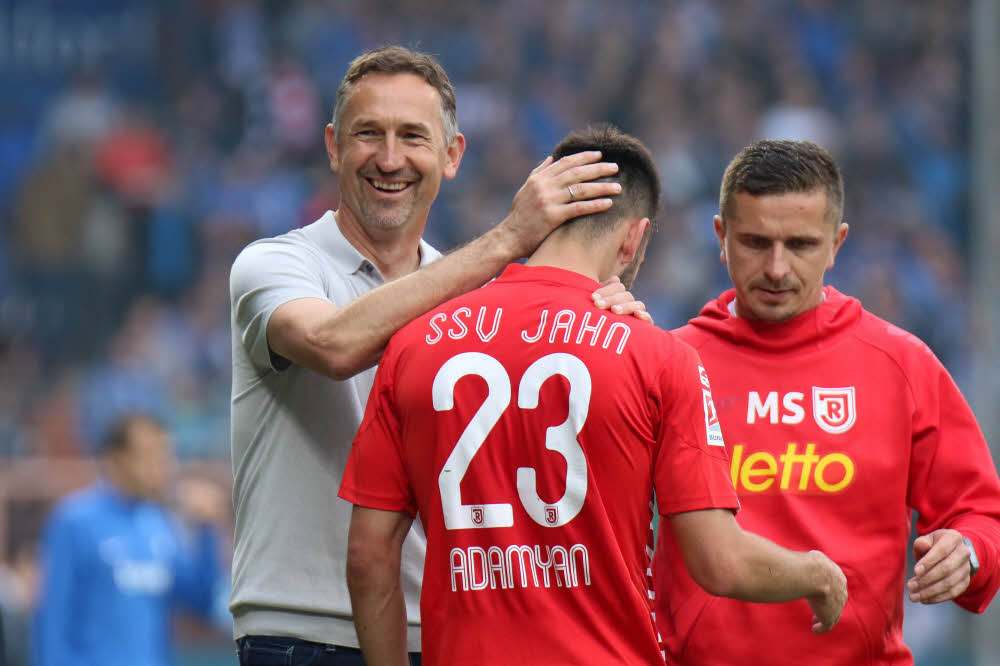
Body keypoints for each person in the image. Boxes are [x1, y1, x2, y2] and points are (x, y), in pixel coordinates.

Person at [338, 125, 847, 666]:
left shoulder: (414, 345)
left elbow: (368, 558)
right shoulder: (658, 356)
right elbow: (719, 562)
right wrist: (816, 573)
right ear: (634, 237)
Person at [228, 46, 643, 666]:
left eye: (412, 137)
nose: (390, 159)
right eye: (368, 134)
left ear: (451, 156)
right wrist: (507, 241)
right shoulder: (275, 265)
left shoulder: (478, 300)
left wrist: (614, 325)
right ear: (333, 146)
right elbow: (334, 344)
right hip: (304, 632)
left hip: (451, 633)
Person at [652, 139, 1000, 665]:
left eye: (800, 244)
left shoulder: (901, 364)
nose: (775, 267)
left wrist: (969, 553)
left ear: (837, 244)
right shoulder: (665, 361)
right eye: (755, 241)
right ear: (721, 237)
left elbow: (979, 511)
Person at [34, 413, 229, 666]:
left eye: (166, 455)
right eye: (151, 455)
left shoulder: (159, 523)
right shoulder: (74, 521)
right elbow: (52, 621)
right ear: (116, 459)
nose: (163, 467)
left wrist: (206, 532)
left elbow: (201, 601)